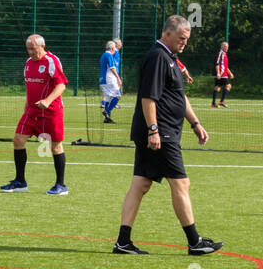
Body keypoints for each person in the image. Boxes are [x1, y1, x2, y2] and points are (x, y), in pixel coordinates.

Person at [114, 15, 222, 256]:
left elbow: (179, 97)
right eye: (182, 38)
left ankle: (123, 242)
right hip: (160, 134)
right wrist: (153, 130)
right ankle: (195, 241)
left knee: (141, 183)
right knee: (181, 182)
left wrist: (195, 123)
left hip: (163, 132)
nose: (185, 43)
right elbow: (148, 97)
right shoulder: (158, 57)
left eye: (187, 39)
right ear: (168, 34)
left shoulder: (171, 58)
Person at [1, 33, 69, 195]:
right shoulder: (28, 63)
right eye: (28, 49)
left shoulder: (52, 61)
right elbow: (30, 89)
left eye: (33, 49)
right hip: (32, 111)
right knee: (18, 140)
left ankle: (61, 186)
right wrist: (26, 109)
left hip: (51, 111)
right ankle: (20, 182)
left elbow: (61, 86)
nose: (30, 52)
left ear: (42, 46)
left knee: (55, 146)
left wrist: (47, 100)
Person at [99, 39, 122, 123]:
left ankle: (107, 118)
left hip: (103, 80)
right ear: (112, 48)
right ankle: (107, 111)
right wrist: (118, 78)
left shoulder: (103, 55)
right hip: (109, 79)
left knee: (108, 99)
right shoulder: (109, 55)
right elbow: (112, 68)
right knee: (118, 96)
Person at [212, 41, 232, 108]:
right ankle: (222, 101)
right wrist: (218, 73)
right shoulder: (220, 53)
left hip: (223, 74)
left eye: (227, 47)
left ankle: (213, 103)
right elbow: (217, 64)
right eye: (225, 46)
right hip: (221, 74)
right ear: (221, 47)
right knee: (228, 85)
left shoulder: (224, 54)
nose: (226, 48)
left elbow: (225, 66)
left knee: (218, 87)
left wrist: (230, 73)